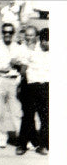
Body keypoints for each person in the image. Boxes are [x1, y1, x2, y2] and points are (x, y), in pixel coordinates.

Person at [0, 22, 26, 148]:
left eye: (10, 32)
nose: (7, 34)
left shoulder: (18, 47)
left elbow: (24, 64)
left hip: (13, 81)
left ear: (13, 33)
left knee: (17, 111)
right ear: (2, 33)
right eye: (5, 32)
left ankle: (21, 137)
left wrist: (17, 63)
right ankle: (1, 138)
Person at [16, 27, 49, 156]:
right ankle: (22, 145)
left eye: (48, 40)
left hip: (46, 87)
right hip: (31, 86)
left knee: (45, 117)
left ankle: (43, 145)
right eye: (44, 40)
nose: (46, 43)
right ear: (39, 39)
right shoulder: (31, 50)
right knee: (28, 117)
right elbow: (23, 68)